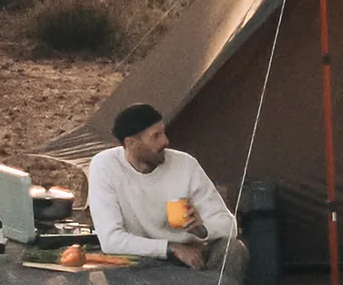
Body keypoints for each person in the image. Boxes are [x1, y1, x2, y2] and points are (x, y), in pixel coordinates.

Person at [87, 103, 236, 269]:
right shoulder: (105, 165)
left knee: (234, 251)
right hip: (140, 260)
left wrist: (201, 230)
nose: (165, 141)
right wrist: (170, 248)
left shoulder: (185, 164)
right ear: (131, 143)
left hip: (193, 255)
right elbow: (111, 240)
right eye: (156, 136)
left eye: (163, 133)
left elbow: (229, 226)